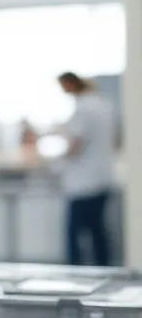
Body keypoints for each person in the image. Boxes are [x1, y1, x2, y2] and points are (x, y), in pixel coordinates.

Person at [56, 71, 118, 266]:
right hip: (102, 177)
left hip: (83, 183)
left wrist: (58, 160)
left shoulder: (83, 109)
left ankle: (74, 274)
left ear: (70, 84)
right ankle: (104, 269)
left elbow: (75, 145)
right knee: (98, 230)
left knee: (74, 234)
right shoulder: (103, 105)